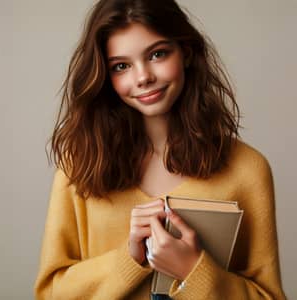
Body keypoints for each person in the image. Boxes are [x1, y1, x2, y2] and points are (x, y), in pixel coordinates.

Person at [34, 0, 286, 299]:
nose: (143, 77)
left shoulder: (247, 169)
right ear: (105, 75)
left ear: (187, 52)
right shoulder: (79, 165)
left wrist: (194, 270)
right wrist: (128, 260)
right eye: (121, 66)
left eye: (157, 54)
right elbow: (50, 293)